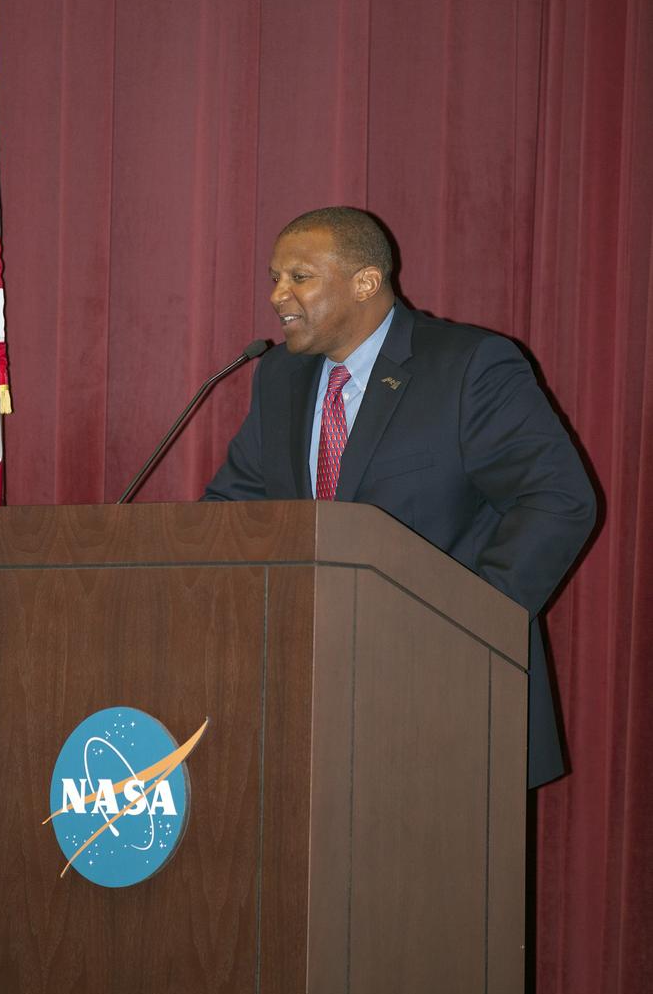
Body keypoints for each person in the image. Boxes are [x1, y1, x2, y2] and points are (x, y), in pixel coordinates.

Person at [204, 206, 596, 787]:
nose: (278, 295)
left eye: (299, 276)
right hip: (308, 698)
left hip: (446, 694)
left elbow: (557, 499)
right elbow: (235, 509)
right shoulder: (280, 377)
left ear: (365, 282)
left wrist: (465, 626)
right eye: (274, 278)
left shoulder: (467, 366)